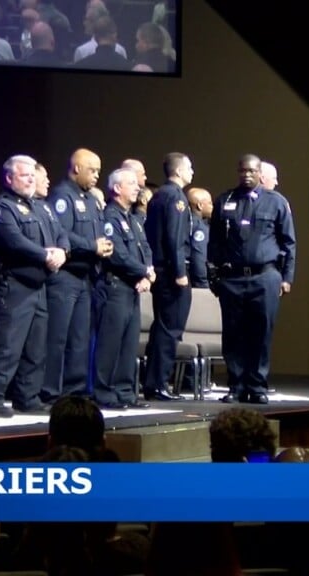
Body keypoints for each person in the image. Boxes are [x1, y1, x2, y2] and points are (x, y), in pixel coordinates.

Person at [0, 155, 68, 417]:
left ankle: (27, 397)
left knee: (35, 346)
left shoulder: (42, 207)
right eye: (25, 175)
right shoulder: (2, 208)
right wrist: (46, 255)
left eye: (33, 175)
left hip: (39, 285)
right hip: (13, 284)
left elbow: (60, 232)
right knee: (7, 345)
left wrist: (62, 251)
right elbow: (14, 242)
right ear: (9, 178)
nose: (31, 179)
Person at [208, 155, 296, 404]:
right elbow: (214, 241)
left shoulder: (276, 202)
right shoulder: (225, 200)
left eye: (252, 171)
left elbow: (289, 242)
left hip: (265, 276)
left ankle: (257, 386)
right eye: (242, 170)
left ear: (260, 173)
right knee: (233, 334)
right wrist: (214, 275)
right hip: (233, 277)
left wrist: (286, 277)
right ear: (238, 172)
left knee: (261, 332)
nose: (247, 175)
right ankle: (236, 385)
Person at [43, 148, 111, 405]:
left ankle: (75, 390)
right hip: (66, 276)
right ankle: (51, 390)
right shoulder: (62, 196)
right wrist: (91, 246)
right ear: (76, 169)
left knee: (80, 338)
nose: (96, 176)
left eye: (98, 171)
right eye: (92, 170)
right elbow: (62, 233)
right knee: (58, 337)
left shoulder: (92, 200)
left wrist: (103, 247)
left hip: (86, 277)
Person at [92, 168, 153, 409]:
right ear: (117, 188)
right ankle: (104, 392)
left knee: (128, 345)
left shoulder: (133, 220)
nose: (138, 187)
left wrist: (147, 274)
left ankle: (125, 391)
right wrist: (143, 271)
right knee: (110, 343)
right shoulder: (110, 217)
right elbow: (116, 254)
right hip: (114, 286)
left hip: (133, 288)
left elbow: (145, 249)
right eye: (131, 184)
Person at [142, 152, 194, 401]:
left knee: (162, 327)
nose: (192, 172)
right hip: (171, 271)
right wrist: (180, 273)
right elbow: (174, 238)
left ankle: (153, 381)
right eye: (189, 167)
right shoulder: (176, 197)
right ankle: (158, 384)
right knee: (169, 329)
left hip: (161, 269)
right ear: (179, 171)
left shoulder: (158, 195)